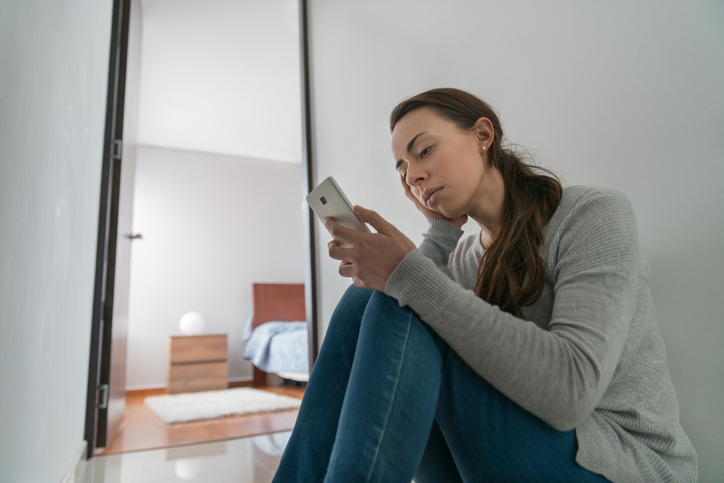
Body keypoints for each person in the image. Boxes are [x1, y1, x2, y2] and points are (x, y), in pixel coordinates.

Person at [272, 88, 697, 482]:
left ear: (482, 134)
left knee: (400, 292)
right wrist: (438, 235)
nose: (414, 176)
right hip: (510, 454)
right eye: (403, 170)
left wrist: (406, 272)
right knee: (368, 296)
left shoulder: (593, 215)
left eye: (424, 151)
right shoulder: (462, 258)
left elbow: (571, 391)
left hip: (618, 462)